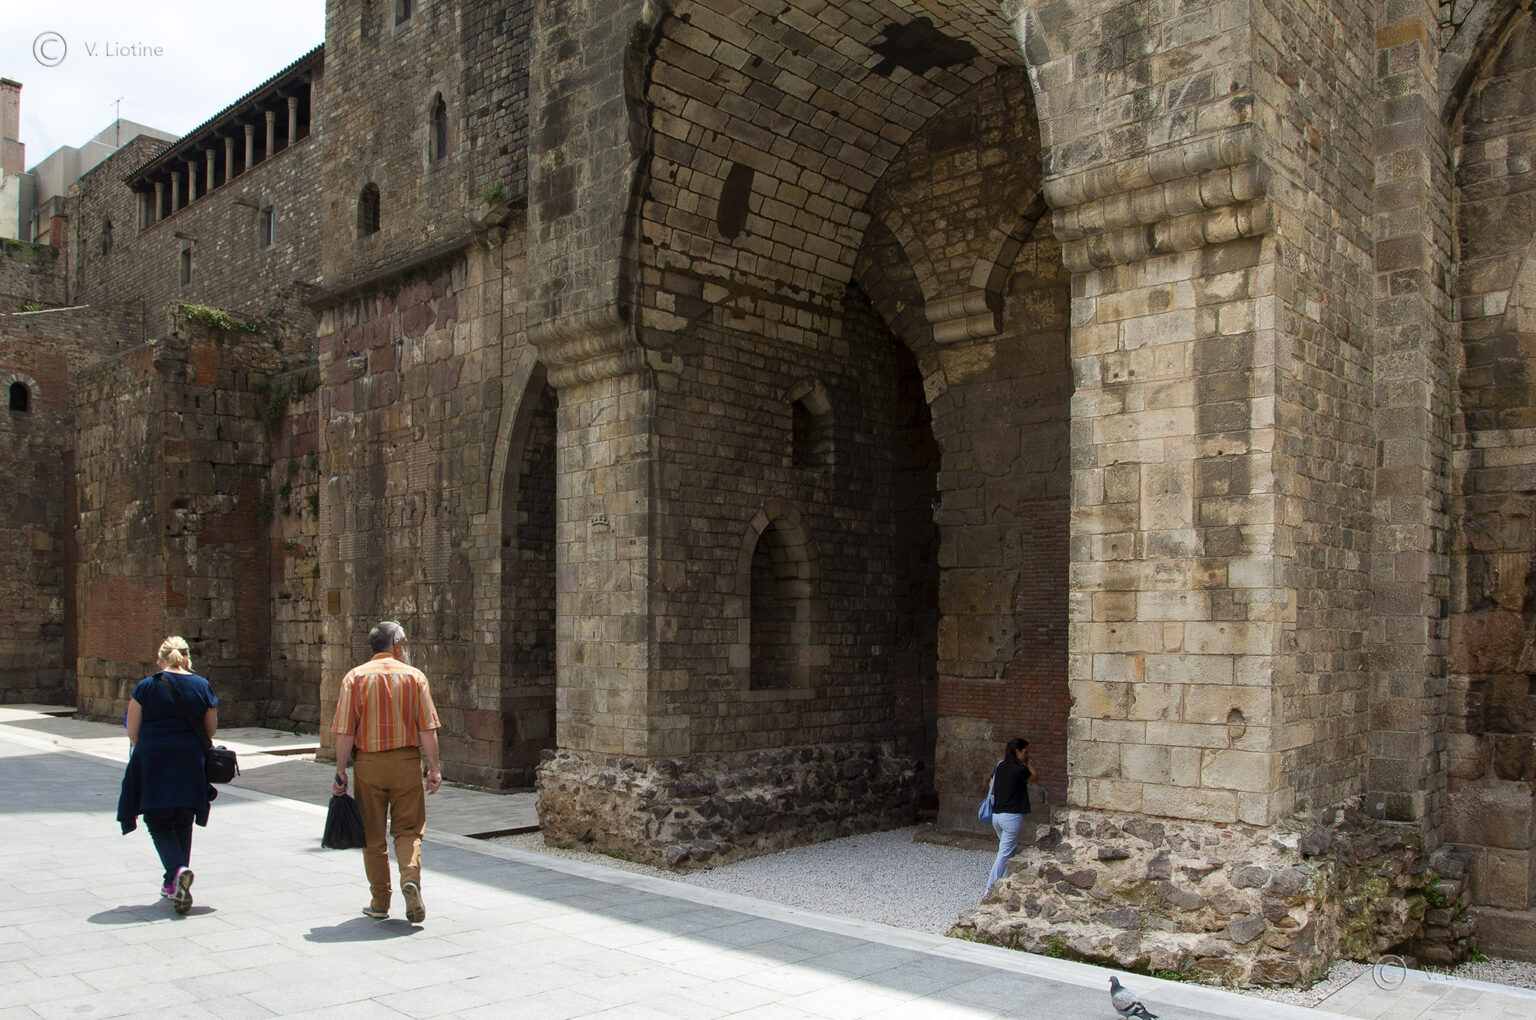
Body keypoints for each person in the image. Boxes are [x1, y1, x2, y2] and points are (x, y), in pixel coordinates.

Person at [331, 620, 442, 923]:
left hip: (368, 764)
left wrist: (340, 772)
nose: (405, 648)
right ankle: (410, 878)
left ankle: (380, 901)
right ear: (395, 645)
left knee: (372, 834)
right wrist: (434, 768)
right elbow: (427, 728)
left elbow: (345, 731)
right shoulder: (414, 677)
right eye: (403, 643)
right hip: (406, 763)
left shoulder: (354, 678)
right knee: (408, 830)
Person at [116, 636, 218, 915]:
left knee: (158, 819)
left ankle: (177, 871)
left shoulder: (146, 687)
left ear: (160, 658)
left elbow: (132, 731)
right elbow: (210, 729)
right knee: (183, 817)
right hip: (190, 758)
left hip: (154, 759)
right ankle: (172, 883)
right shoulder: (202, 685)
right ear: (187, 656)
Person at [984, 736, 1036, 894]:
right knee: (1004, 853)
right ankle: (989, 888)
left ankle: (1007, 881)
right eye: (1025, 752)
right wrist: (1028, 763)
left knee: (1008, 850)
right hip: (1011, 817)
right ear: (1017, 752)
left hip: (996, 815)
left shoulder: (1000, 766)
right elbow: (1034, 777)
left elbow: (991, 784)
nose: (1027, 754)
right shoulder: (1020, 769)